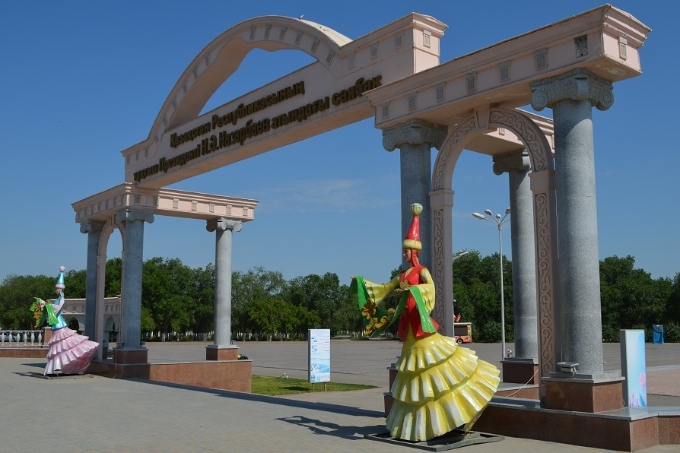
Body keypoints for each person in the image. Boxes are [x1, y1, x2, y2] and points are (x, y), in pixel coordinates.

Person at [351, 203, 500, 442]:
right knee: (417, 379)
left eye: (406, 251)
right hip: (409, 331)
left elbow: (431, 288)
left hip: (421, 328)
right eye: (403, 251)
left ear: (414, 252)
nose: (403, 255)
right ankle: (424, 425)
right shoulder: (401, 275)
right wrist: (361, 282)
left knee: (437, 374)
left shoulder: (421, 271)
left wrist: (415, 291)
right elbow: (383, 290)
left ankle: (456, 412)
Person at [37, 266, 99, 375]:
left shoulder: (61, 299)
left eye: (57, 289)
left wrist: (46, 304)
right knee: (61, 348)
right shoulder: (57, 299)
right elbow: (52, 311)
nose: (56, 290)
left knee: (62, 347)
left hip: (60, 325)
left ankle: (56, 367)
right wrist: (45, 306)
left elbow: (57, 309)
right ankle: (56, 367)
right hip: (57, 325)